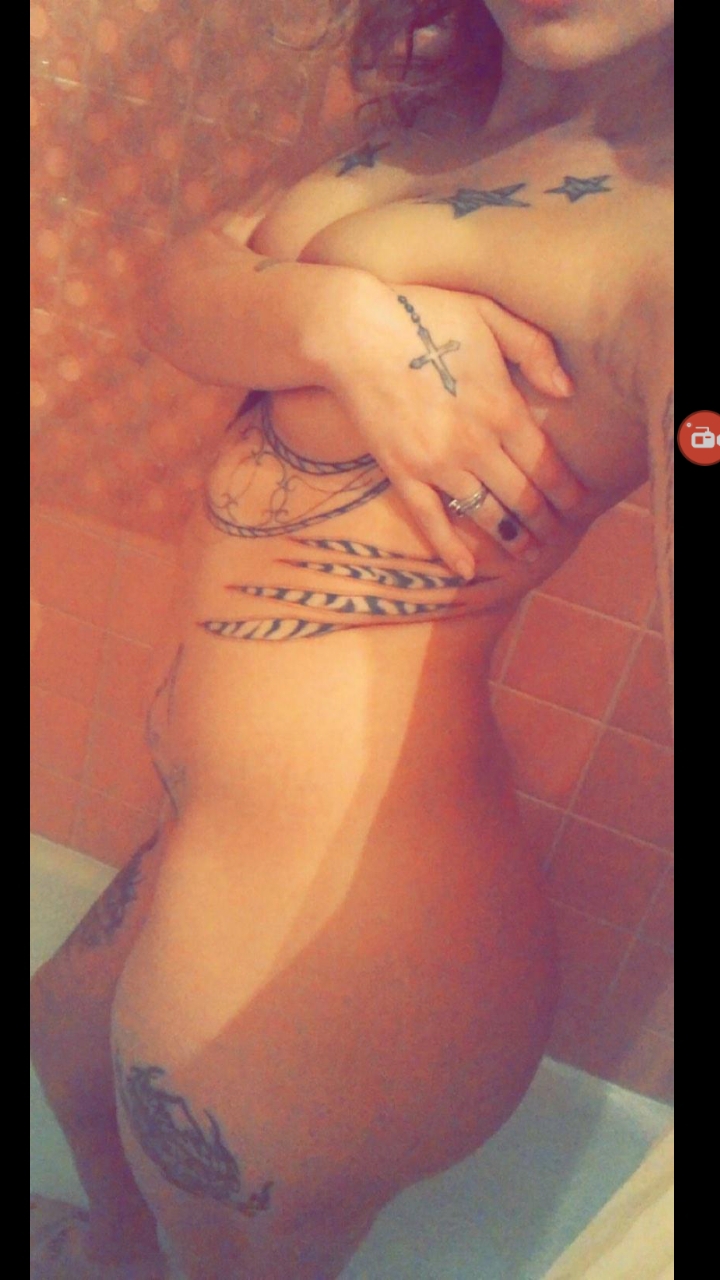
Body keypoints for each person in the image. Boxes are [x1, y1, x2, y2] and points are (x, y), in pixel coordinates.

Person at [30, 2, 673, 1277]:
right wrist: (336, 325)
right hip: (213, 838)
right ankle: (114, 1255)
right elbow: (183, 285)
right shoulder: (451, 112)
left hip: (344, 929)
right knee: (66, 1043)